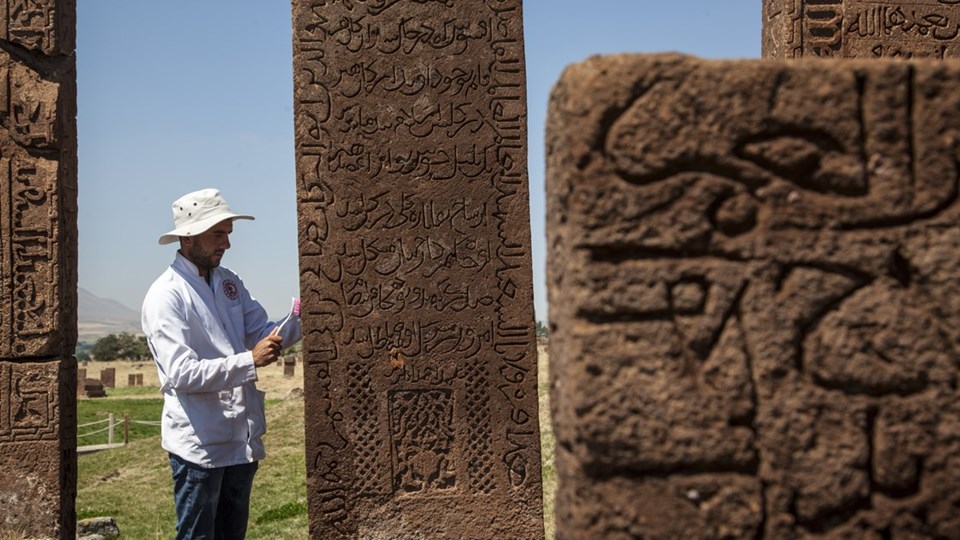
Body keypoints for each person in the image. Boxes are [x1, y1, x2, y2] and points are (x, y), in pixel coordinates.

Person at [141, 188, 301, 539]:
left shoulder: (228, 282)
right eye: (217, 234)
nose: (226, 243)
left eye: (228, 233)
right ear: (187, 237)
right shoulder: (166, 295)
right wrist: (250, 361)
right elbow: (181, 374)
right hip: (200, 445)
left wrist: (302, 318)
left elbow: (261, 331)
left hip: (241, 441)